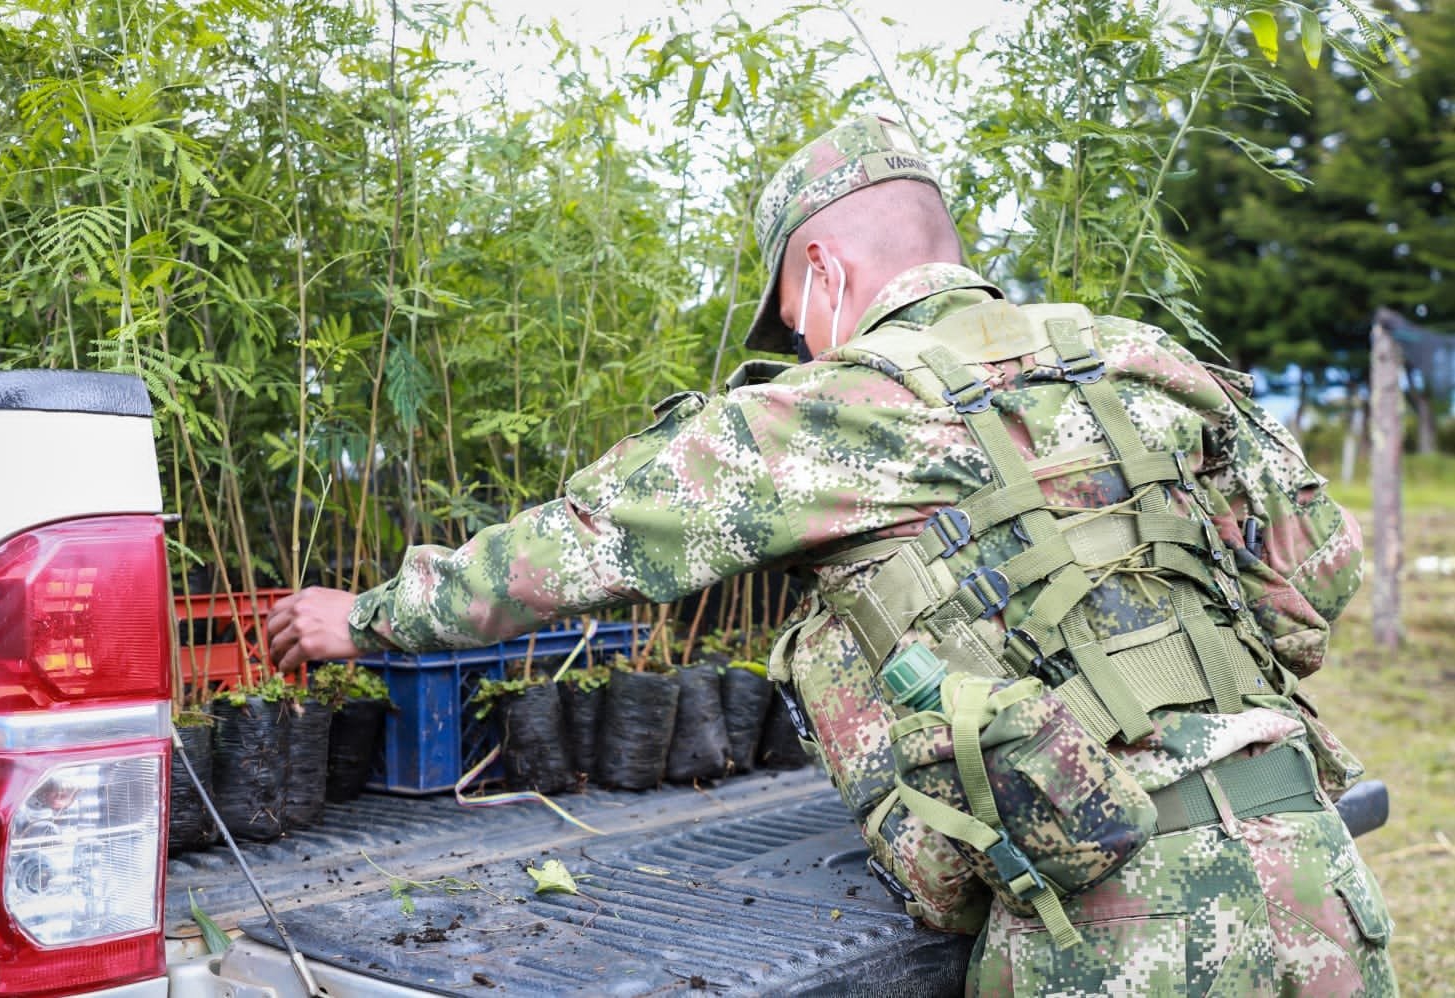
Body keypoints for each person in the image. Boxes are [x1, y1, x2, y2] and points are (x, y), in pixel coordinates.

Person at [267, 114, 1395, 996]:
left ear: (822, 271)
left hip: (1109, 909)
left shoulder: (844, 407)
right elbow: (1317, 583)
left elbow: (580, 546)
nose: (801, 342)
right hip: (1313, 858)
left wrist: (366, 617)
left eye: (793, 318)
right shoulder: (1149, 359)